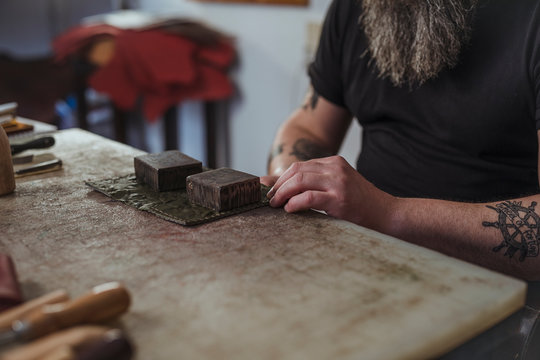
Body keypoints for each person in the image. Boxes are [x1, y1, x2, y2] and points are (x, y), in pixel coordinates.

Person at [261, 0, 540, 281]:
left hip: (495, 285)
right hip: (362, 256)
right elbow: (310, 127)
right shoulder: (355, 7)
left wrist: (388, 215)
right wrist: (289, 180)